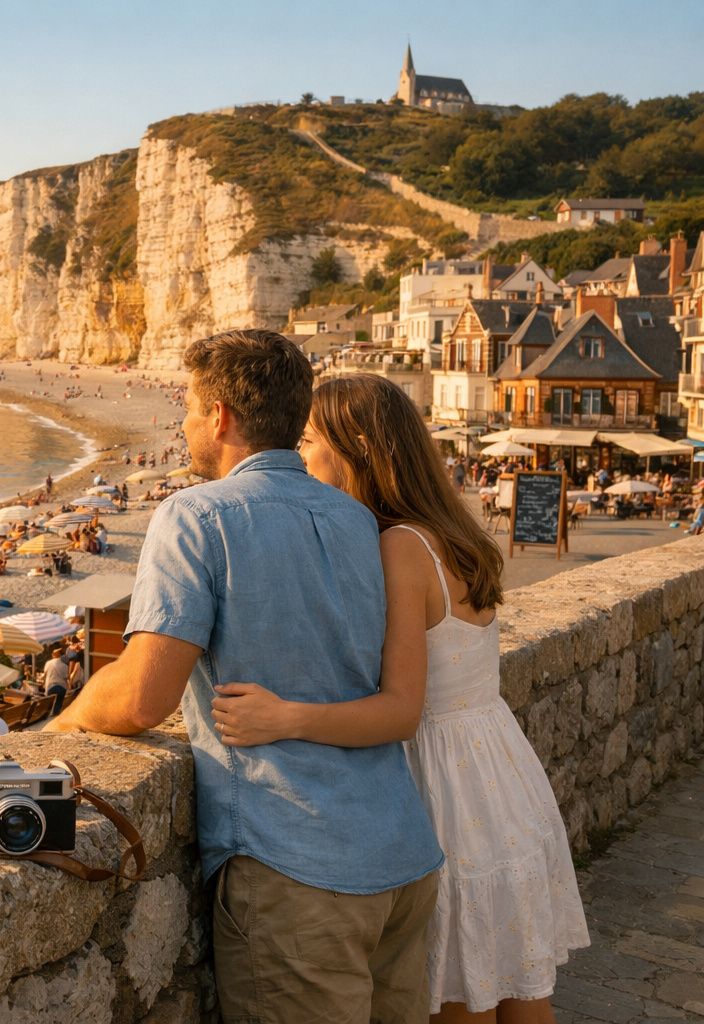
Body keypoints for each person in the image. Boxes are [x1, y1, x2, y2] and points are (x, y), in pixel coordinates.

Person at [46, 329, 442, 1022]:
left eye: (191, 410)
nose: (186, 425)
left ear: (221, 417)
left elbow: (144, 696)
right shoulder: (357, 520)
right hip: (400, 855)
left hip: (297, 863)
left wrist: (65, 720)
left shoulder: (196, 515)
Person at [209, 374, 589, 1022]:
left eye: (310, 441)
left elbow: (401, 710)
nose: (300, 458)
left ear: (355, 446)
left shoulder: (399, 547)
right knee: (521, 991)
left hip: (444, 792)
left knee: (458, 995)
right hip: (500, 778)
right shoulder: (452, 534)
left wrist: (284, 716)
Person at [41, 649, 70, 715]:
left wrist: (43, 683)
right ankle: (55, 713)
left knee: (49, 703)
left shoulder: (48, 663)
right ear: (60, 655)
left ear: (53, 655)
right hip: (61, 687)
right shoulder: (65, 666)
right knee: (59, 702)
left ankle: (48, 714)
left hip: (50, 687)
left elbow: (44, 674)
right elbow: (67, 678)